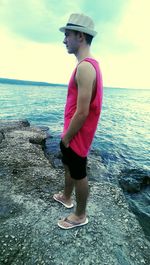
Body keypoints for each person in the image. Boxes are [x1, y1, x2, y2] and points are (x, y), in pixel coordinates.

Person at [53, 13, 103, 229]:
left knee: (79, 172)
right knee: (68, 165)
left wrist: (67, 137)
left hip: (77, 134)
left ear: (80, 37)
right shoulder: (86, 65)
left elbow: (82, 112)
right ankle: (66, 197)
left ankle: (80, 215)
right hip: (72, 132)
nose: (64, 40)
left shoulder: (85, 67)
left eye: (68, 35)